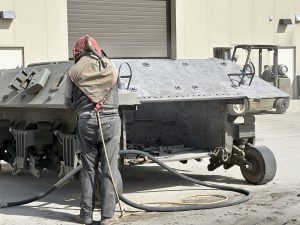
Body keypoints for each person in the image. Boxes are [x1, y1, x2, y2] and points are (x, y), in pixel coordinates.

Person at [64, 35, 122, 225]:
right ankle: (107, 216)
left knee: (88, 170)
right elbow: (118, 93)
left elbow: (68, 103)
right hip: (111, 122)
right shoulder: (110, 66)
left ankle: (85, 216)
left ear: (77, 51)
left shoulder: (73, 71)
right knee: (109, 169)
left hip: (86, 122)